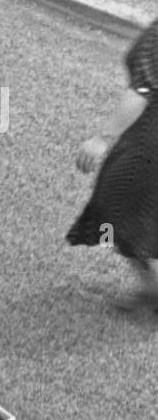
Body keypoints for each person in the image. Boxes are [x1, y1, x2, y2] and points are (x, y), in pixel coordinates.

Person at [69, 18, 158, 311]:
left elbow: (141, 93)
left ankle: (151, 288)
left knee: (114, 210)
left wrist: (102, 138)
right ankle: (150, 288)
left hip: (147, 150)